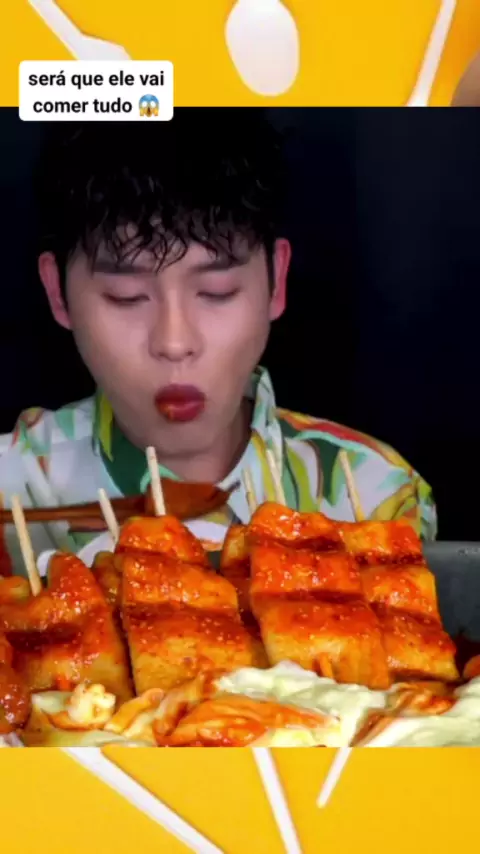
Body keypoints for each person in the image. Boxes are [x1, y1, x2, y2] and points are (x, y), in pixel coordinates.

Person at [0, 110, 435, 574]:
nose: (175, 342)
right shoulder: (15, 482)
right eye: (125, 296)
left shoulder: (374, 495)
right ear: (57, 293)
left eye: (217, 291)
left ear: (276, 281)